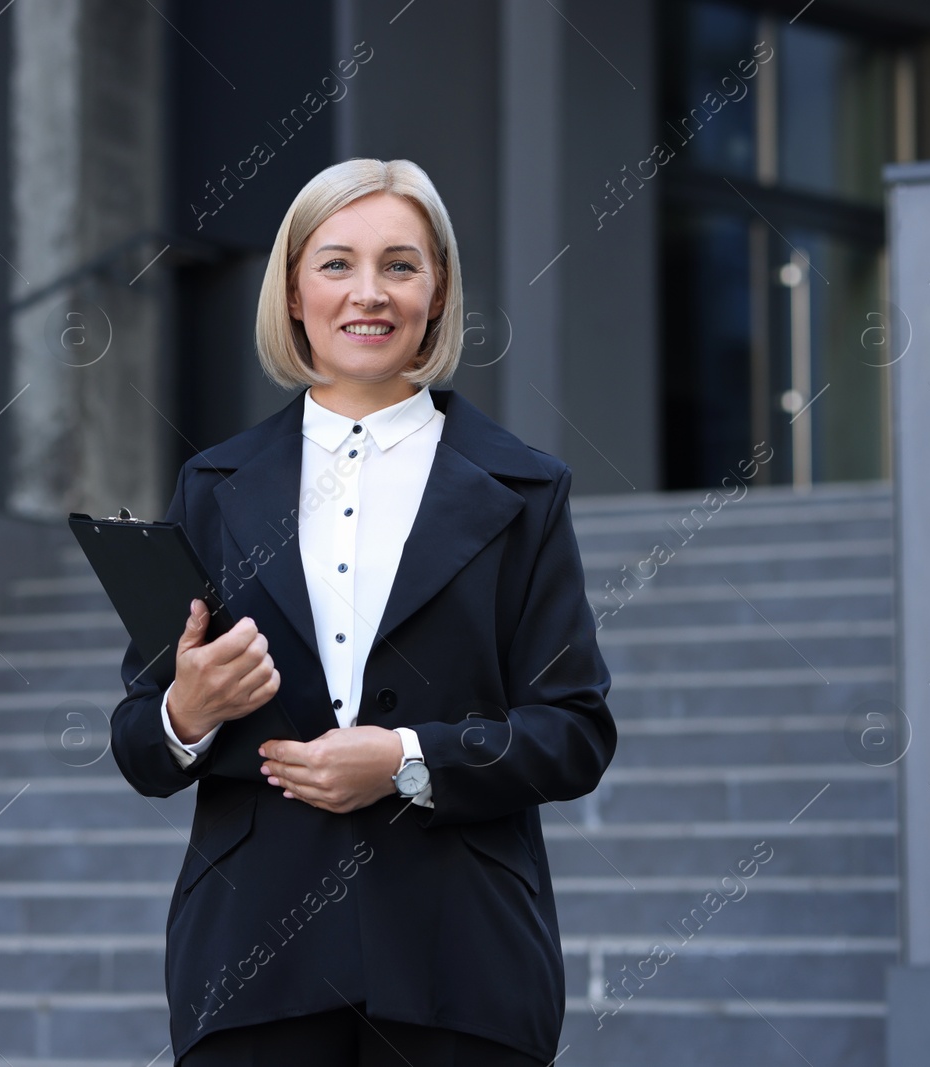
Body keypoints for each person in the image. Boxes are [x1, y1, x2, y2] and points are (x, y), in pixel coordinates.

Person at [110, 157, 615, 1066]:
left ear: (438, 289)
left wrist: (408, 759)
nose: (368, 293)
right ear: (295, 291)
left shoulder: (526, 488)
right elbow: (141, 745)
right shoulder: (212, 485)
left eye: (400, 264)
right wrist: (189, 709)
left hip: (464, 966)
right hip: (251, 971)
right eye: (336, 263)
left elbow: (575, 731)